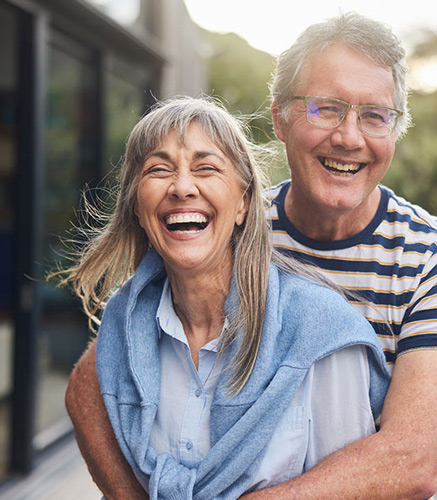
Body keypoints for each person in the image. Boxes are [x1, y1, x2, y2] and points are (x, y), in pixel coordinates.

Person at [66, 12, 437, 499]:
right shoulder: (220, 222)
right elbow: (99, 374)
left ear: (395, 130)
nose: (349, 136)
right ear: (279, 117)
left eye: (374, 115)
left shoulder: (433, 256)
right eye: (326, 108)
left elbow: (410, 461)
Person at [57, 95, 390, 499]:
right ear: (137, 207)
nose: (182, 187)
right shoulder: (125, 328)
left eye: (206, 168)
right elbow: (82, 396)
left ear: (244, 204)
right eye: (159, 169)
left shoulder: (320, 334)